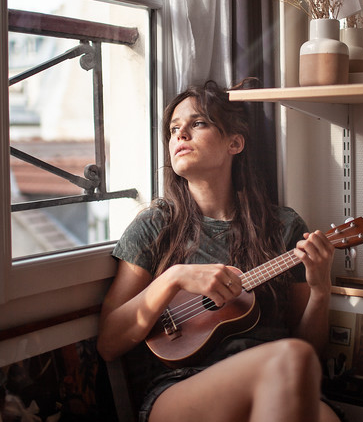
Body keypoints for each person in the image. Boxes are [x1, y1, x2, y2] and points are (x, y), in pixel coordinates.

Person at [97, 80, 343, 422]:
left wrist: (321, 288)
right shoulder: (155, 226)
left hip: (278, 377)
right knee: (291, 358)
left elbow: (313, 351)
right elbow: (109, 342)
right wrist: (174, 277)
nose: (180, 135)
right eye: (173, 129)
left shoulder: (283, 226)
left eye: (197, 123)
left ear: (235, 143)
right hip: (182, 387)